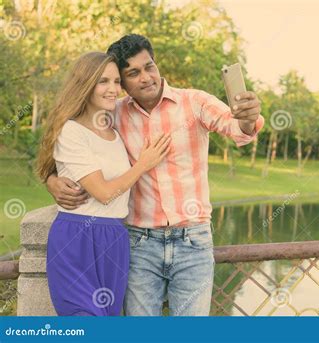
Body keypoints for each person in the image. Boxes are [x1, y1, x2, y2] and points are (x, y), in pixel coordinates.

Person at [45, 34, 264, 316]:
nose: (146, 77)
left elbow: (239, 128)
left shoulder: (194, 102)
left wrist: (247, 116)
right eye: (133, 73)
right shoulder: (112, 114)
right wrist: (52, 180)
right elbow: (73, 146)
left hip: (193, 243)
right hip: (138, 245)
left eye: (149, 66)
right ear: (124, 83)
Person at [36, 51, 171, 316]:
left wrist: (51, 180)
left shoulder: (114, 131)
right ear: (85, 85)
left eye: (116, 82)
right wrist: (144, 164)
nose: (113, 89)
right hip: (77, 239)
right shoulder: (71, 131)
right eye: (103, 82)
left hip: (114, 240)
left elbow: (61, 171)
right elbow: (104, 192)